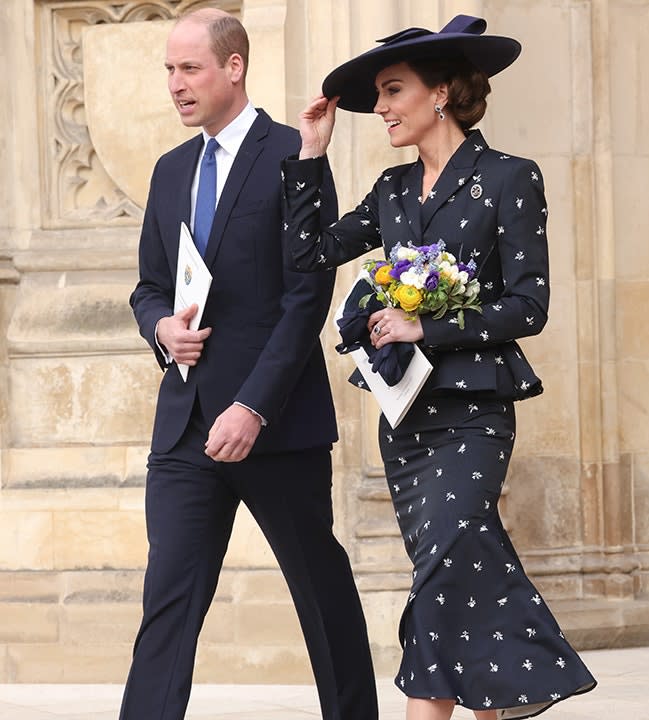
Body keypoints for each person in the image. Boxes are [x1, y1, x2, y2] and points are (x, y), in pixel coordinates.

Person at [281, 14, 596, 720]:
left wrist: (427, 323)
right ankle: (501, 701)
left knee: (448, 561)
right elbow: (308, 255)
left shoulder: (510, 178)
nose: (383, 108)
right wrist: (309, 154)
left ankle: (499, 691)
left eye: (393, 91)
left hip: (474, 411)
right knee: (447, 576)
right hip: (407, 420)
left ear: (443, 93)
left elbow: (528, 306)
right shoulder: (391, 190)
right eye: (380, 95)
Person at [120, 8, 378, 720]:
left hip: (276, 423)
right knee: (166, 606)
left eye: (189, 68)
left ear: (233, 67)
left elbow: (306, 296)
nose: (175, 84)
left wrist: (252, 406)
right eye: (169, 70)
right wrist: (161, 328)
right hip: (183, 429)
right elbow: (148, 286)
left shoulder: (294, 153)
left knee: (319, 592)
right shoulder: (171, 171)